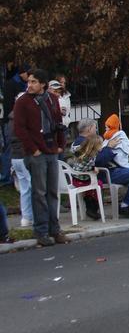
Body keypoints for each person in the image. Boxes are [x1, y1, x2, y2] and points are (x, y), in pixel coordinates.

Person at [12, 67, 69, 246]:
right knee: (39, 192)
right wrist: (32, 149)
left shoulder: (52, 99)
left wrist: (61, 145)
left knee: (52, 192)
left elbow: (58, 122)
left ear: (43, 84)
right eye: (28, 81)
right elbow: (19, 128)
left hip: (51, 150)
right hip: (36, 152)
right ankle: (41, 230)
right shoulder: (23, 102)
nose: (30, 85)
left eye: (34, 82)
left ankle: (55, 228)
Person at [93, 113, 129, 215]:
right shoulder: (95, 142)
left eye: (107, 128)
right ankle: (127, 204)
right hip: (107, 172)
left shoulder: (112, 138)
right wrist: (109, 147)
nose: (105, 130)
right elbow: (99, 161)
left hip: (114, 170)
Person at [1, 64, 30, 185]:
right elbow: (7, 103)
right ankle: (5, 176)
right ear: (22, 73)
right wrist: (7, 120)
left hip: (20, 120)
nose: (29, 78)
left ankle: (12, 176)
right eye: (27, 74)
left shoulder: (24, 84)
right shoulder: (11, 84)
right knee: (9, 148)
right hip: (10, 120)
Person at [67, 133, 104, 219]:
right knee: (99, 184)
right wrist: (93, 168)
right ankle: (93, 208)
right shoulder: (90, 157)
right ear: (95, 146)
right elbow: (84, 168)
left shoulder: (80, 151)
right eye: (101, 144)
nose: (102, 146)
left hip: (75, 179)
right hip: (82, 180)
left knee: (92, 187)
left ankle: (89, 202)